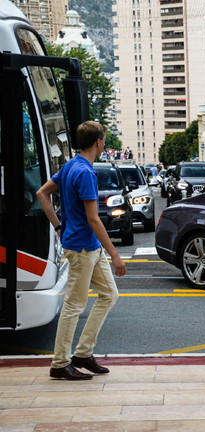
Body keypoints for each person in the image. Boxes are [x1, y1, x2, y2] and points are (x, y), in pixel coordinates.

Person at [36, 121, 126, 381]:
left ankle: (83, 353)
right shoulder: (85, 172)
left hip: (89, 246)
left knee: (109, 295)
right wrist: (115, 254)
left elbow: (42, 193)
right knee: (74, 305)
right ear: (98, 142)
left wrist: (58, 225)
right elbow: (94, 219)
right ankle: (60, 363)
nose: (105, 143)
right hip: (82, 248)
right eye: (104, 139)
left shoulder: (70, 166)